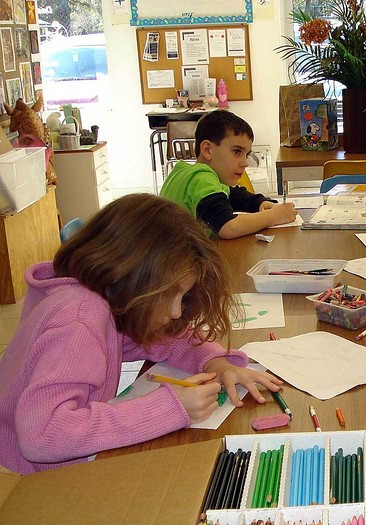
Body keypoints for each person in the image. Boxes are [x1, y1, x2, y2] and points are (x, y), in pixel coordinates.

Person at [0, 195, 283, 475]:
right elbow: (42, 435)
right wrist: (171, 408)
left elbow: (164, 340)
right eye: (170, 295)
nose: (176, 312)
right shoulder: (79, 320)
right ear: (132, 277)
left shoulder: (106, 299)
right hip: (32, 478)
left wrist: (216, 363)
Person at [160, 110, 297, 239]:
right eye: (237, 152)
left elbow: (235, 195)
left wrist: (260, 202)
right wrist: (274, 216)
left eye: (246, 155)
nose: (245, 163)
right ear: (207, 150)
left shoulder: (183, 173)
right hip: (181, 255)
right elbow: (228, 227)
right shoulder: (202, 178)